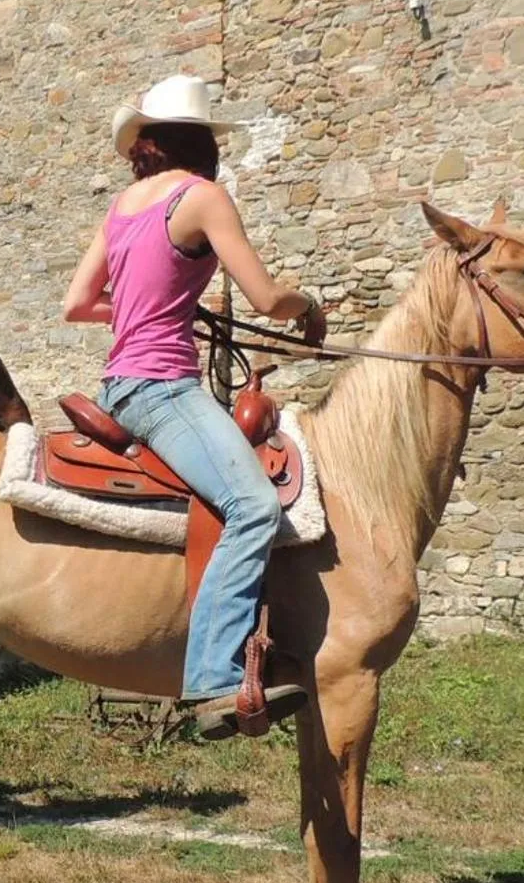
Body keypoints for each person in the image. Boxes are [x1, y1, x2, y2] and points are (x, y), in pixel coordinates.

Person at [61, 74, 326, 738]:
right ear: (203, 141)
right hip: (161, 389)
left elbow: (76, 305)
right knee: (254, 506)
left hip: (120, 381)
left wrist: (160, 308)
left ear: (149, 142)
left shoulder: (123, 207)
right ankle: (212, 675)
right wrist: (308, 306)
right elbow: (266, 299)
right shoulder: (203, 197)